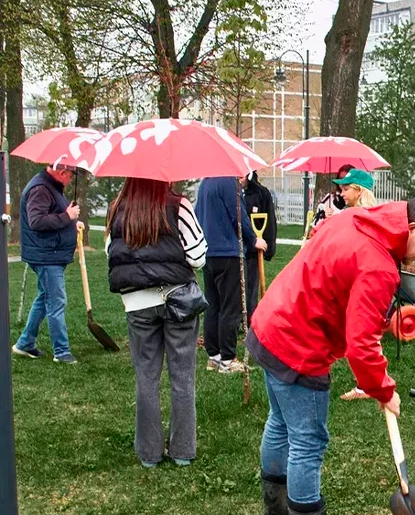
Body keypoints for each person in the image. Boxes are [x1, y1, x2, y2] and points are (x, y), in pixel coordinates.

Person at [248, 194, 415, 515]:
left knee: (280, 424)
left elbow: (335, 268)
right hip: (300, 345)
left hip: (272, 323)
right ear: (413, 228)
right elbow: (362, 346)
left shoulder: (355, 218)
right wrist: (383, 390)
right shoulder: (379, 267)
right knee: (307, 442)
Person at [105, 178, 207, 468]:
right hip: (178, 300)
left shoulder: (117, 209)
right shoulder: (179, 206)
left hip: (137, 304)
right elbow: (198, 257)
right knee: (182, 376)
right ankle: (182, 451)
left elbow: (111, 253)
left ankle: (149, 453)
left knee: (146, 378)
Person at [195, 176, 267, 374]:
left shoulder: (205, 182)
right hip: (228, 253)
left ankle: (214, 356)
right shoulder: (228, 182)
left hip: (209, 252)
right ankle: (228, 358)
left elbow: (198, 214)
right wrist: (253, 240)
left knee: (214, 305)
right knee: (231, 307)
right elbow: (238, 216)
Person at [12, 163, 81, 364]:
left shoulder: (50, 187)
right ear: (61, 172)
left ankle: (25, 343)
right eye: (70, 175)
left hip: (50, 252)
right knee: (56, 301)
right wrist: (67, 216)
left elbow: (52, 215)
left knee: (45, 298)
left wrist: (71, 222)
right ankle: (61, 351)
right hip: (45, 255)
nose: (70, 180)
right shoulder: (41, 189)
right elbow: (37, 221)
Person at [241, 171, 278, 323]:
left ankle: (251, 319)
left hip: (253, 251)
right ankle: (239, 318)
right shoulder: (232, 193)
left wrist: (268, 248)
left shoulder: (261, 193)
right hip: (237, 249)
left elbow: (270, 222)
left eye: (242, 176)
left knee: (251, 287)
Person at [308, 168, 376, 239]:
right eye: (341, 189)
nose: (342, 194)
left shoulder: (355, 216)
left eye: (346, 189)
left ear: (359, 191)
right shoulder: (373, 216)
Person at [307, 164, 352, 231]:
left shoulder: (360, 202)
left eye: (347, 179)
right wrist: (324, 216)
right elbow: (315, 224)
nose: (343, 182)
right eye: (341, 179)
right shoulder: (330, 199)